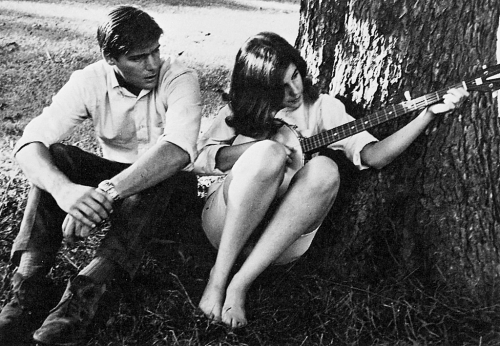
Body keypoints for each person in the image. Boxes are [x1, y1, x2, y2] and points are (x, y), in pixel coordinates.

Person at [193, 31, 468, 328]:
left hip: (281, 240)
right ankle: (217, 280)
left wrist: (426, 115)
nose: (294, 91)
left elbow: (375, 155)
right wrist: (261, 149)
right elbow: (200, 160)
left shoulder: (322, 108)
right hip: (224, 226)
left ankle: (240, 285)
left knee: (325, 168)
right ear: (257, 88)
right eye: (280, 86)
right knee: (267, 154)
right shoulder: (238, 111)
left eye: (295, 76)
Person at [0, 5, 202, 345]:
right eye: (139, 58)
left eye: (155, 51)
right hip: (118, 185)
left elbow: (177, 150)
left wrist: (107, 193)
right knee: (58, 157)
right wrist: (65, 192)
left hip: (168, 197)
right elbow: (30, 142)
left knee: (164, 172)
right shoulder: (89, 80)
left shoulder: (180, 77)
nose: (152, 64)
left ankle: (83, 298)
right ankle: (27, 292)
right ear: (111, 58)